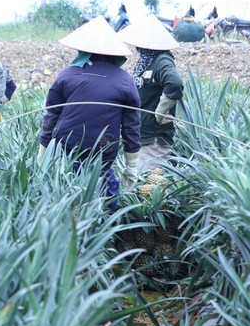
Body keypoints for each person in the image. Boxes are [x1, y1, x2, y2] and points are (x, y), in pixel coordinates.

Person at [37, 16, 142, 210]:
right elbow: (131, 127)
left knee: (69, 183)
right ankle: (107, 224)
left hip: (68, 143)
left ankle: (71, 219)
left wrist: (43, 151)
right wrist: (131, 166)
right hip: (104, 145)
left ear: (82, 51)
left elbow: (51, 116)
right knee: (103, 178)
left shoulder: (67, 75)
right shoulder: (125, 80)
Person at [118, 14, 184, 173]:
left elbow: (175, 83)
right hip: (142, 135)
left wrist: (160, 112)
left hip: (154, 139)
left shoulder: (161, 61)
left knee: (147, 184)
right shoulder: (146, 62)